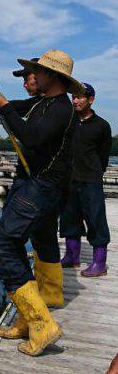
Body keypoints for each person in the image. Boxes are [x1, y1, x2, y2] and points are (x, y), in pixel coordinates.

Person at [0, 50, 84, 356]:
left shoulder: (61, 109)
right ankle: (31, 315)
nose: (32, 75)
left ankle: (40, 322)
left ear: (53, 76)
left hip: (42, 185)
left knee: (3, 242)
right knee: (42, 237)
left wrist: (4, 107)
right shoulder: (43, 102)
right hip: (38, 183)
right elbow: (12, 109)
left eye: (37, 70)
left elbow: (33, 136)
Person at [60, 83, 112, 276]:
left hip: (90, 180)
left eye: (80, 97)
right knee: (68, 219)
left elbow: (103, 155)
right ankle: (72, 257)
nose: (75, 100)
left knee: (96, 220)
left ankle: (100, 264)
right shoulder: (68, 122)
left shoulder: (102, 125)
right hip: (69, 179)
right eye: (73, 97)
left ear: (91, 100)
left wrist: (95, 172)